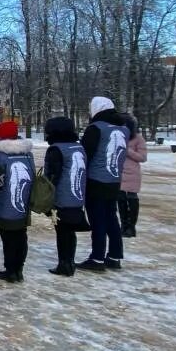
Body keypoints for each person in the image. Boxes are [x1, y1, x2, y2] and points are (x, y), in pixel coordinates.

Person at [79, 96, 130, 272]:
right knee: (111, 217)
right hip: (114, 180)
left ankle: (97, 258)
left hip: (96, 180)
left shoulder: (95, 129)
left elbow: (85, 155)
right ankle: (115, 255)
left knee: (97, 219)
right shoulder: (123, 129)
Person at [0, 120, 34, 283]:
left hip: (5, 205)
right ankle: (19, 269)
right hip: (23, 204)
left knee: (9, 238)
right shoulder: (27, 154)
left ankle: (10, 270)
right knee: (21, 236)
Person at [43, 116, 90, 277]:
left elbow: (52, 178)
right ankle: (69, 261)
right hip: (77, 196)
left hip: (62, 198)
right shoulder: (78, 148)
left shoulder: (56, 149)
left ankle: (64, 264)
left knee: (62, 232)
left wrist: (47, 200)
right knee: (70, 231)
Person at [118, 114, 147, 238]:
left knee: (132, 199)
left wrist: (127, 150)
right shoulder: (117, 137)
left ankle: (131, 227)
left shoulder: (138, 139)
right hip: (119, 173)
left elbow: (142, 157)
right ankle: (123, 225)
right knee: (120, 200)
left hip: (132, 174)